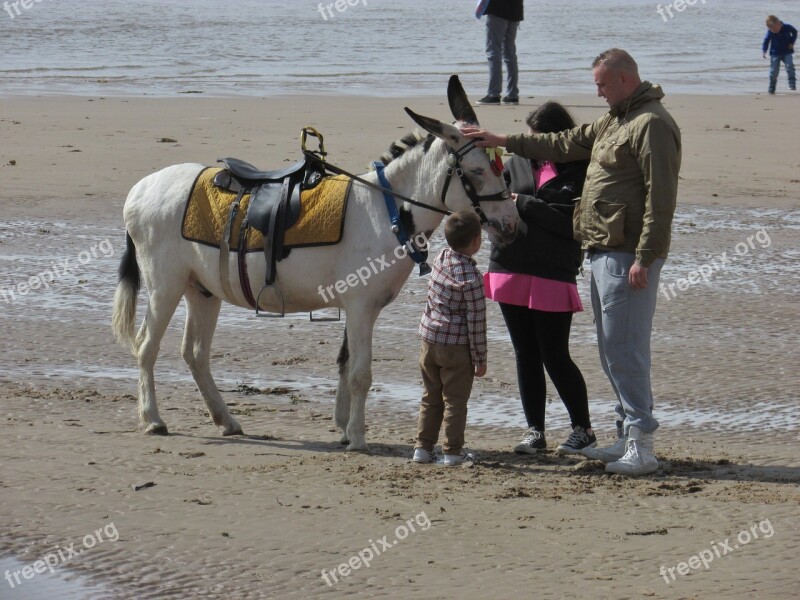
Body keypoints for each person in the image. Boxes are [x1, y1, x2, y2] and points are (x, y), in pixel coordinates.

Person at [463, 48, 681, 476]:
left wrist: (646, 256)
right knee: (610, 350)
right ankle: (624, 434)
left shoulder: (651, 123)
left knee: (625, 350)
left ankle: (642, 445)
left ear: (622, 79)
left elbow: (661, 197)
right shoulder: (615, 119)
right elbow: (560, 142)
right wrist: (502, 140)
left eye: (601, 84)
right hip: (601, 249)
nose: (597, 92)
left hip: (627, 253)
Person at [484, 101, 596, 456]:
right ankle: (535, 431)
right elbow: (492, 206)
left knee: (554, 354)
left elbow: (573, 226)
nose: (531, 145)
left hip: (553, 270)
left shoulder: (581, 170)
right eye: (528, 139)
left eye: (538, 139)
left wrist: (525, 203)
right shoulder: (513, 162)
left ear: (556, 138)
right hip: (510, 265)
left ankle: (583, 429)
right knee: (524, 353)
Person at [413, 210, 487, 467]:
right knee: (455, 401)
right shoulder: (473, 278)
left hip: (429, 340)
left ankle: (422, 448)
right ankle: (452, 452)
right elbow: (476, 322)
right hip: (456, 347)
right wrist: (480, 358)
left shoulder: (440, 257)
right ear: (476, 242)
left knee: (430, 396)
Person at [477, 0, 524, 106]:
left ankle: (494, 94)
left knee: (493, 52)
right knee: (510, 54)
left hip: (497, 9)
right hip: (515, 10)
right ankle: (512, 95)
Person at [762, 15, 797, 94]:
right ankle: (772, 87)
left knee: (789, 66)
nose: (773, 31)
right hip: (775, 53)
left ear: (778, 24)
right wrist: (764, 51)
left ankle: (792, 83)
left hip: (787, 52)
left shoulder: (787, 27)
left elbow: (795, 32)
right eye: (771, 29)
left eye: (775, 29)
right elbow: (766, 40)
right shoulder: (770, 31)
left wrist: (792, 42)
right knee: (774, 71)